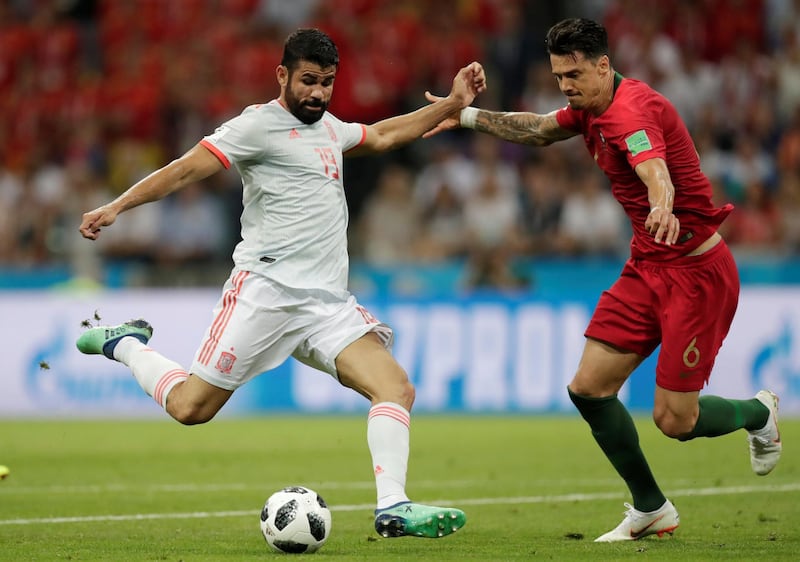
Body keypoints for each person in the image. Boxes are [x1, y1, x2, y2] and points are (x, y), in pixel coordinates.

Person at [76, 28, 486, 540]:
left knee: (395, 388)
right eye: (309, 81)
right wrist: (116, 206)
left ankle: (394, 508)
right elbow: (185, 170)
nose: (318, 93)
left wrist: (451, 103)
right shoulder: (255, 127)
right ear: (283, 75)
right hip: (264, 295)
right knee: (189, 409)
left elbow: (382, 135)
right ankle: (126, 345)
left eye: (327, 83)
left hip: (327, 305)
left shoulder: (331, 129)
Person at [425, 18, 781, 542]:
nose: (565, 84)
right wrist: (469, 115)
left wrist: (663, 205)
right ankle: (651, 507)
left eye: (574, 73)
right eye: (558, 74)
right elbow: (542, 130)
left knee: (674, 421)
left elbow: (652, 168)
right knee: (589, 389)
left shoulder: (630, 113)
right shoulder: (591, 106)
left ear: (603, 66)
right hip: (645, 267)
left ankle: (758, 412)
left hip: (696, 275)